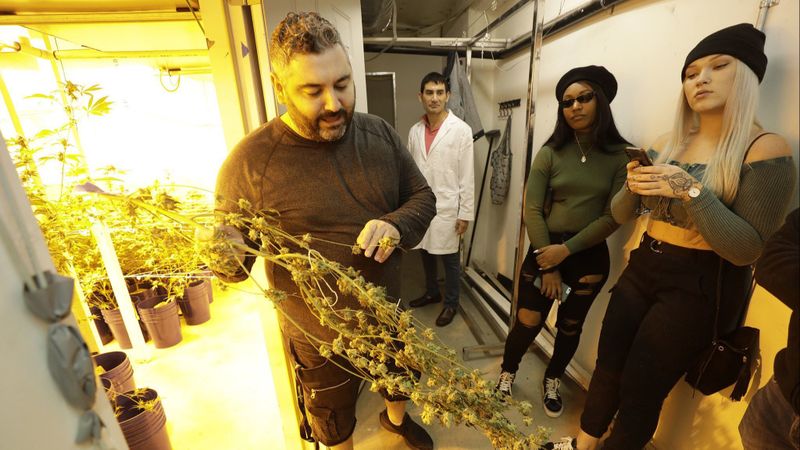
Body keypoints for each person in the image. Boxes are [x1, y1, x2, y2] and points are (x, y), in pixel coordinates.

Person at [545, 23, 796, 450]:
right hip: (645, 263)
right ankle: (583, 443)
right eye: (691, 72)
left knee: (643, 387)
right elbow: (623, 214)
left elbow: (747, 250)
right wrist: (633, 183)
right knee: (609, 366)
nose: (701, 79)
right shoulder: (671, 141)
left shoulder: (766, 150)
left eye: (719, 66)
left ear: (749, 77)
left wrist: (690, 190)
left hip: (699, 283)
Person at [213, 12, 437, 450]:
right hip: (317, 334)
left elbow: (424, 199)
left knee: (399, 379)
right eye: (313, 91)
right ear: (280, 89)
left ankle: (395, 421)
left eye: (342, 84)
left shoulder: (380, 136)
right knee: (331, 418)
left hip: (386, 310)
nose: (334, 103)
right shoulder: (250, 162)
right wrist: (226, 249)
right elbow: (233, 270)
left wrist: (393, 222)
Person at [495, 66, 630, 420]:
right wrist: (550, 262)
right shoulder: (551, 152)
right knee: (528, 321)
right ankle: (508, 371)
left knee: (570, 326)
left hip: (587, 257)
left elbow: (613, 216)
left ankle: (552, 379)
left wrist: (567, 252)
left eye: (584, 97)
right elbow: (532, 209)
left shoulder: (620, 157)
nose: (575, 106)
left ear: (600, 100)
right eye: (567, 101)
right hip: (544, 250)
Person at [407, 72, 475, 327]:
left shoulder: (461, 131)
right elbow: (411, 169)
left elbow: (467, 174)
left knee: (450, 259)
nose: (434, 98)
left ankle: (451, 303)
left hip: (448, 205)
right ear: (421, 97)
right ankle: (432, 291)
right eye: (429, 93)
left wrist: (465, 213)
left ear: (447, 96)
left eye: (439, 93)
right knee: (425, 249)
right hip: (421, 204)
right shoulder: (415, 131)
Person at [739, 208, 799, 450]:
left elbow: (743, 246)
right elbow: (771, 260)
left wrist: (694, 194)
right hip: (782, 395)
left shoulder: (778, 169)